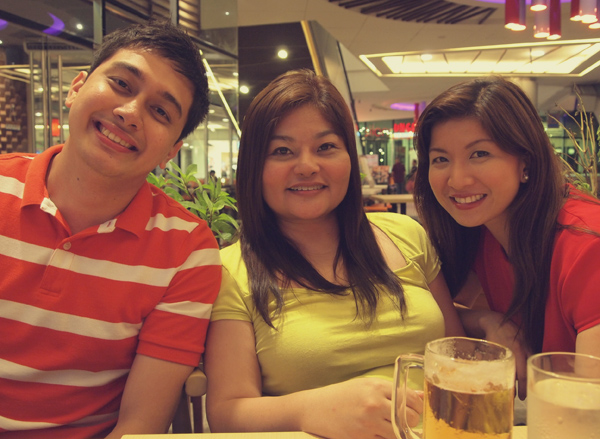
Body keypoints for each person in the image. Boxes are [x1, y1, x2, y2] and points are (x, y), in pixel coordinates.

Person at [204, 69, 464, 439]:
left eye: (326, 147)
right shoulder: (230, 271)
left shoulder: (406, 234)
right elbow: (227, 412)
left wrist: (485, 320)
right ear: (254, 167)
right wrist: (312, 409)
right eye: (282, 151)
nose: (307, 166)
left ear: (349, 158)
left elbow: (454, 357)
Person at [0, 20, 222, 438]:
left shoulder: (186, 250)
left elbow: (140, 424)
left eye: (161, 112)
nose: (130, 113)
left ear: (172, 151)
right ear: (77, 87)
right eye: (121, 84)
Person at [413, 76, 600, 399]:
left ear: (525, 160)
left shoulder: (586, 245)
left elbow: (588, 408)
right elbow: (434, 310)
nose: (457, 180)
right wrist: (489, 321)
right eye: (441, 159)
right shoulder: (483, 233)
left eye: (479, 154)